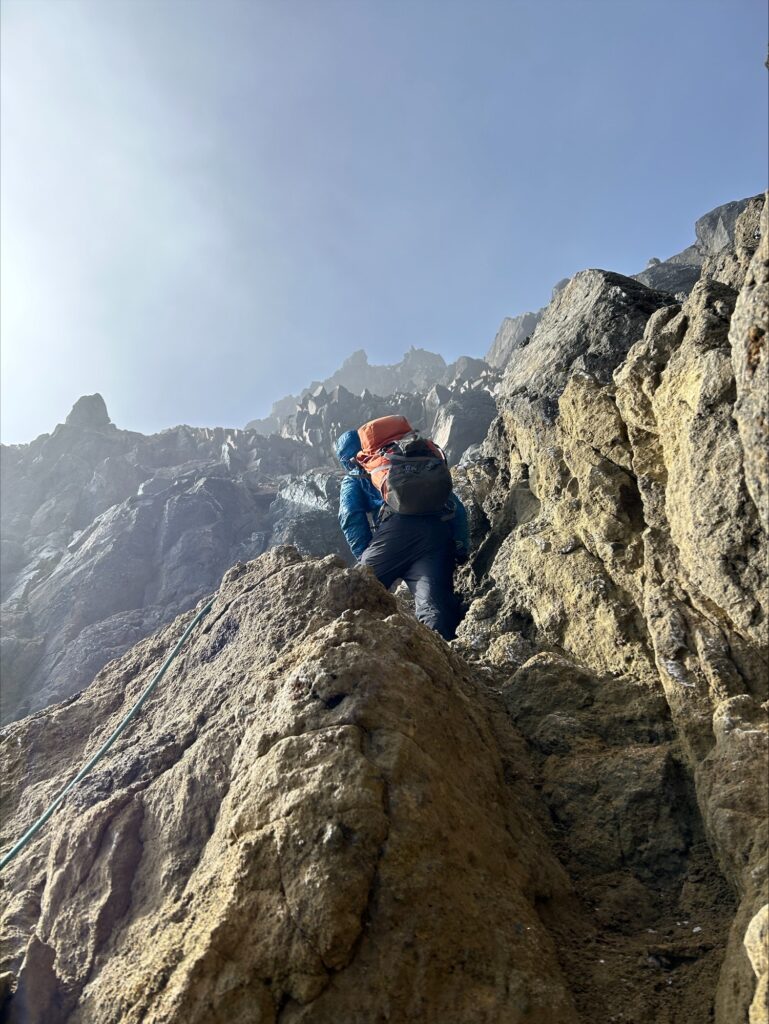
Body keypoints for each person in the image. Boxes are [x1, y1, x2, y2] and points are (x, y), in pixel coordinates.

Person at [335, 428, 469, 640]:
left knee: (356, 592)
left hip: (395, 533)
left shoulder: (357, 475)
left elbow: (350, 516)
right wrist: (461, 545)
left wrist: (367, 558)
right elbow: (456, 504)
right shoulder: (408, 462)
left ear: (346, 458)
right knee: (434, 607)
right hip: (437, 532)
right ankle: (445, 658)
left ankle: (349, 646)